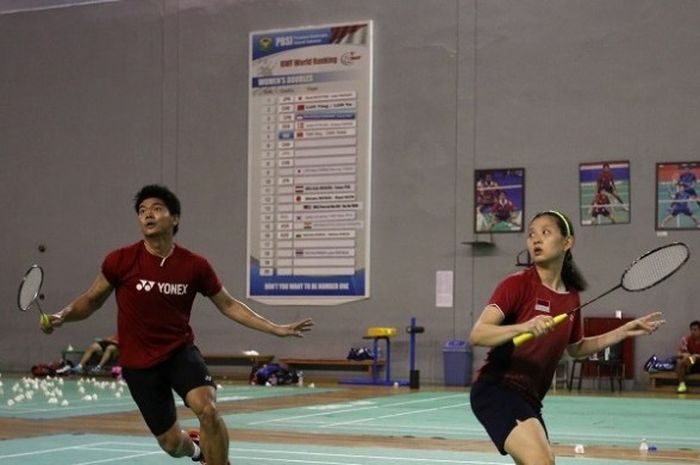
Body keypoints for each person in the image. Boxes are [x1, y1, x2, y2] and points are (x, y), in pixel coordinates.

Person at [41, 184, 314, 465]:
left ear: (175, 219)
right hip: (138, 365)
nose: (148, 215)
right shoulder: (120, 260)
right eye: (143, 211)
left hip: (178, 353)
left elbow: (229, 304)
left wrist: (275, 328)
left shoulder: (194, 265)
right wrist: (62, 316)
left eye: (157, 209)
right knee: (171, 444)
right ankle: (198, 451)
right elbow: (91, 300)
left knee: (207, 410)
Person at [468, 210, 664, 465]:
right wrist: (524, 327)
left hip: (531, 398)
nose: (535, 240)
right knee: (542, 462)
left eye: (545, 233)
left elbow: (577, 349)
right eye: (531, 235)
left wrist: (622, 331)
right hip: (498, 389)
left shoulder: (571, 297)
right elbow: (478, 334)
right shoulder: (517, 284)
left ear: (567, 242)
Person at [676, 320, 700, 393]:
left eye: (695, 330)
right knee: (680, 362)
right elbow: (678, 354)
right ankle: (682, 385)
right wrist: (684, 354)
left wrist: (697, 356)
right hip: (691, 363)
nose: (693, 332)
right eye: (691, 330)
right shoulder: (686, 339)